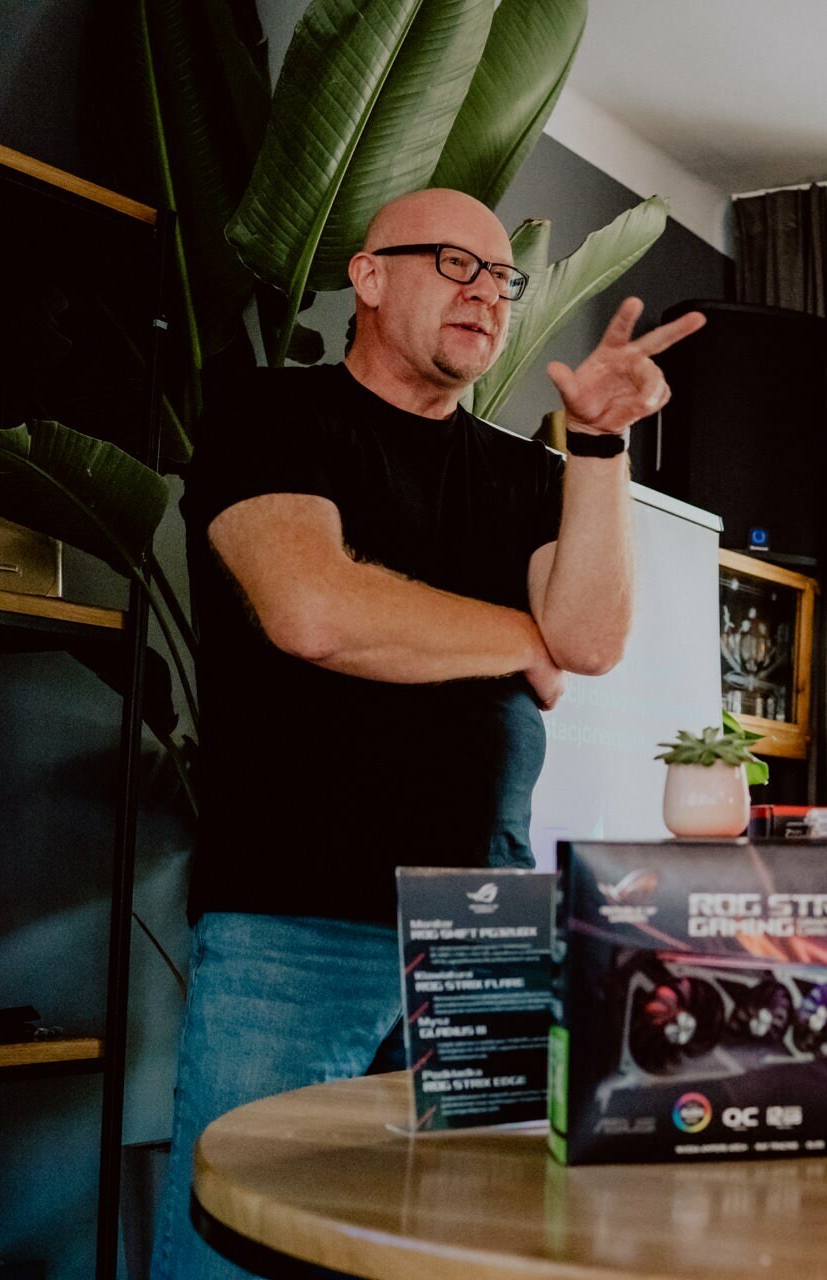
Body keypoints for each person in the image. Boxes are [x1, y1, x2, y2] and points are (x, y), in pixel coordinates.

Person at [151, 188, 704, 1279]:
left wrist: (598, 445)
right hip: (294, 921)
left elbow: (587, 639)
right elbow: (315, 612)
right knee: (244, 1249)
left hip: (486, 931)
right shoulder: (272, 415)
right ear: (368, 276)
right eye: (456, 263)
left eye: (503, 280)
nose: (487, 295)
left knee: (462, 1245)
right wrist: (517, 636)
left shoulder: (526, 475)